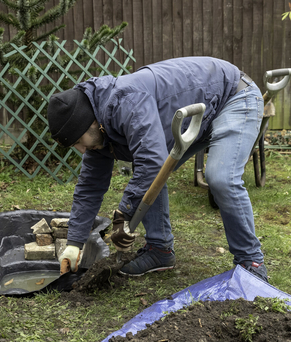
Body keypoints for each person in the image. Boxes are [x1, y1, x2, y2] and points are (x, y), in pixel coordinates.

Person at [47, 56, 268, 282]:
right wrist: (74, 243)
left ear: (90, 123)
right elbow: (90, 187)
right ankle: (160, 250)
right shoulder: (97, 130)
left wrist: (125, 213)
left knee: (220, 178)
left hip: (231, 95)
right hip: (198, 112)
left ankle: (251, 261)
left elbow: (151, 162)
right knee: (149, 172)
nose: (82, 150)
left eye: (78, 141)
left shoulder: (126, 102)